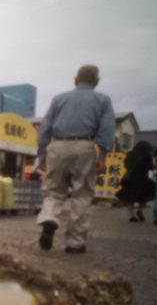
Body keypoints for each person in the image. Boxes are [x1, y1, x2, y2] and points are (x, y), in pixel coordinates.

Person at [36, 65, 115, 254]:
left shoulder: (59, 99)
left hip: (57, 145)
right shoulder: (103, 100)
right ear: (96, 82)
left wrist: (42, 154)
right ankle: (75, 243)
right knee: (82, 195)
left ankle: (50, 218)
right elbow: (106, 129)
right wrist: (102, 156)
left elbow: (45, 127)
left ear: (75, 80)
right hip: (85, 146)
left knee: (53, 190)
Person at [115, 141, 155, 222]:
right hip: (143, 178)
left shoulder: (130, 154)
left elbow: (126, 165)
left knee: (129, 199)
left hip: (131, 179)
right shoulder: (147, 156)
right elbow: (151, 167)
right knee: (145, 197)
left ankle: (132, 216)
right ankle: (139, 210)